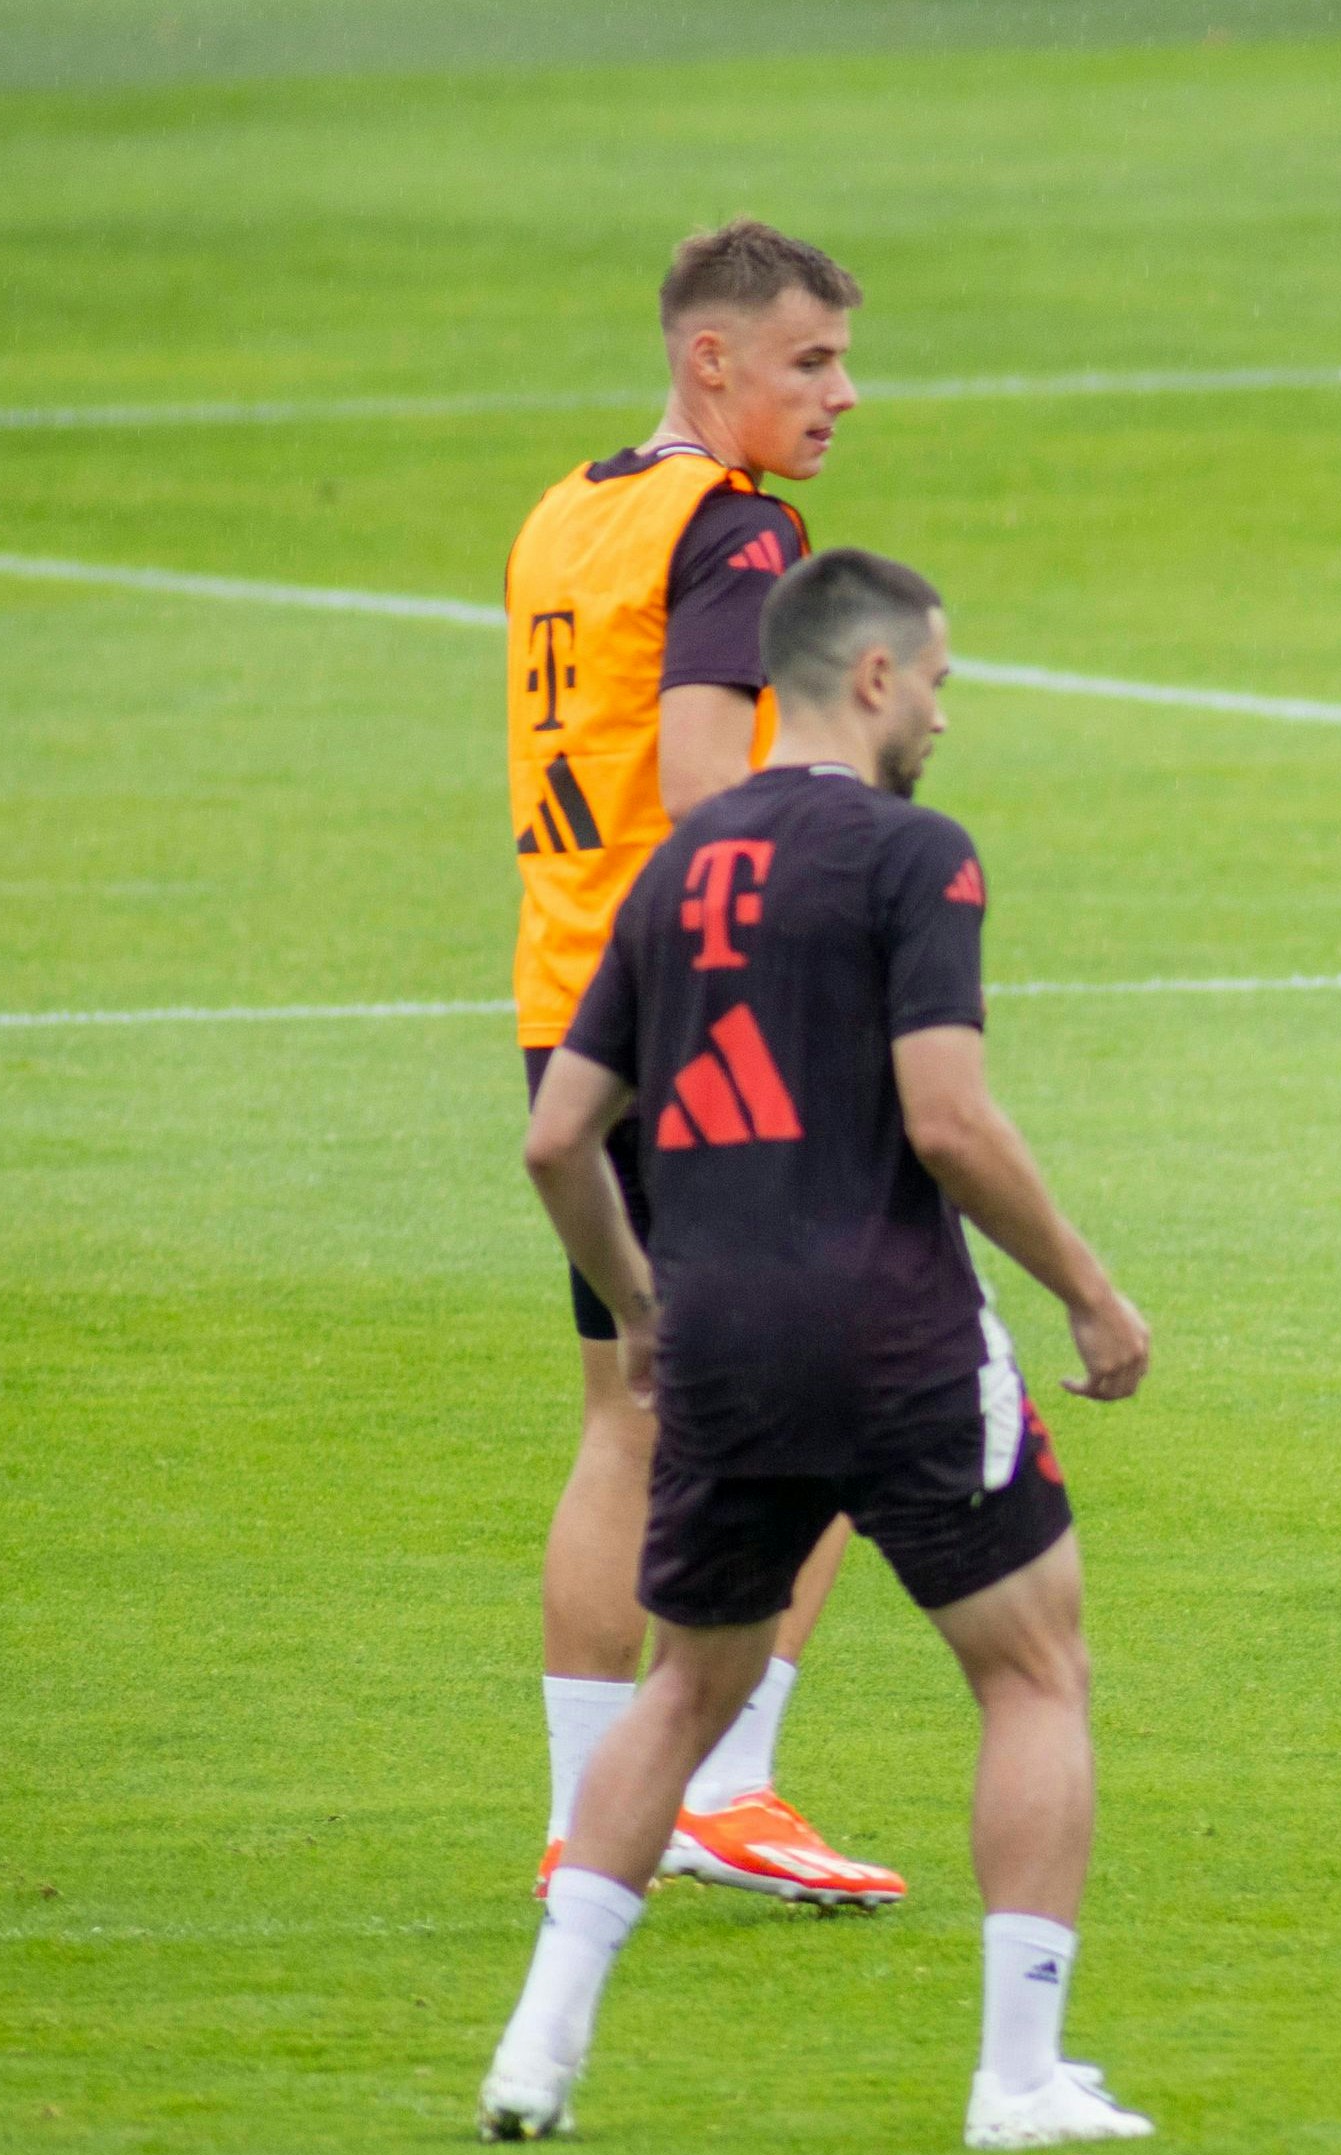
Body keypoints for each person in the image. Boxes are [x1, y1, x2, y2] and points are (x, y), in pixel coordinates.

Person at [478, 548, 1158, 2149]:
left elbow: (560, 1137)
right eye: (938, 680)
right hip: (894, 1327)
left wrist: (644, 1308)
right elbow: (948, 1118)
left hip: (715, 1337)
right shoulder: (916, 856)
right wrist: (1087, 1289)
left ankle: (536, 2049)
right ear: (872, 676)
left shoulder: (676, 868)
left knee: (686, 1688)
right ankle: (1017, 2081)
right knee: (1036, 1668)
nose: (943, 713)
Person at [502, 219, 899, 1907]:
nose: (843, 395)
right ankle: (722, 1783)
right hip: (702, 1019)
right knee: (860, 1394)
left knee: (628, 1415)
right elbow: (693, 782)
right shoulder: (737, 534)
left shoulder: (569, 509)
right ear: (709, 361)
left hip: (568, 1010)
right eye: (809, 362)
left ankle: (596, 1808)